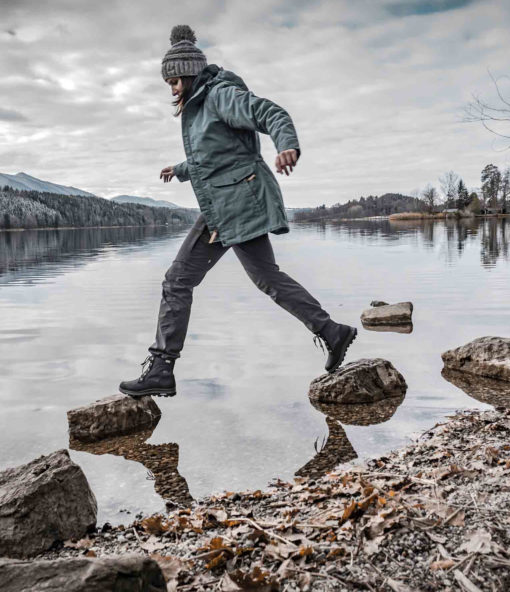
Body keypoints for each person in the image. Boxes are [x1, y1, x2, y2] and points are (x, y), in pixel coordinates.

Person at [119, 25, 357, 398]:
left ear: (189, 72)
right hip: (228, 204)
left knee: (177, 281)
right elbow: (214, 155)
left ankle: (162, 368)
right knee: (265, 279)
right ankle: (332, 331)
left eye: (174, 79)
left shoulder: (220, 95)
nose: (171, 88)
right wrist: (179, 169)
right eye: (168, 82)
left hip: (235, 205)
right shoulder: (200, 105)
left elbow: (269, 112)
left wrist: (286, 145)